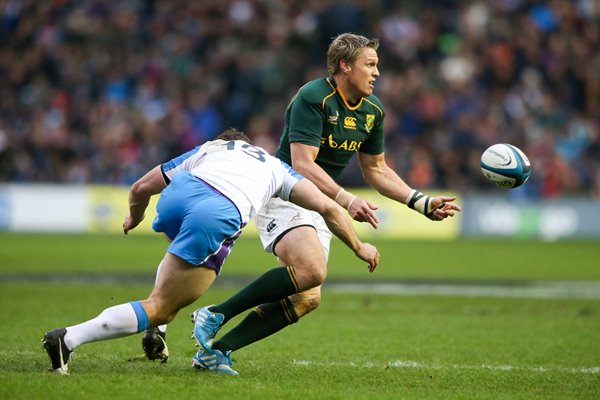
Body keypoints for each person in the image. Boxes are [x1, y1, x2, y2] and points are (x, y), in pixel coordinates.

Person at [143, 32, 462, 373]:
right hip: (286, 192)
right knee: (312, 270)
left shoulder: (373, 111)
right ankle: (215, 314)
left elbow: (376, 168)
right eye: (369, 64)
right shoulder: (313, 97)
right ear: (345, 66)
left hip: (321, 203)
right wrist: (345, 199)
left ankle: (215, 351)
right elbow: (302, 164)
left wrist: (421, 202)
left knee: (307, 297)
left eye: (377, 65)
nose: (377, 73)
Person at [42, 128, 379, 375]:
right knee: (162, 306)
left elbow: (140, 188)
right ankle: (69, 338)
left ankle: (156, 328)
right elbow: (331, 209)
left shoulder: (208, 150)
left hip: (179, 197)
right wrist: (358, 245)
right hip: (219, 210)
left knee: (175, 268)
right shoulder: (276, 167)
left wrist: (136, 216)